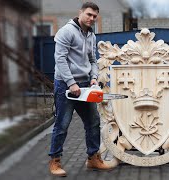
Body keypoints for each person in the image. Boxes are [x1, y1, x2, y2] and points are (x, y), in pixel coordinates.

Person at [48, 2, 111, 177]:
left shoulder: (91, 35)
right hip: (65, 86)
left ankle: (93, 158)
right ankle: (55, 161)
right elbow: (60, 60)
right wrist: (71, 83)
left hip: (85, 85)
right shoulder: (66, 32)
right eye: (89, 14)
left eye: (95, 16)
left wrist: (93, 78)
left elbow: (92, 60)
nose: (92, 19)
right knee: (62, 125)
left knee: (93, 122)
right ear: (81, 13)